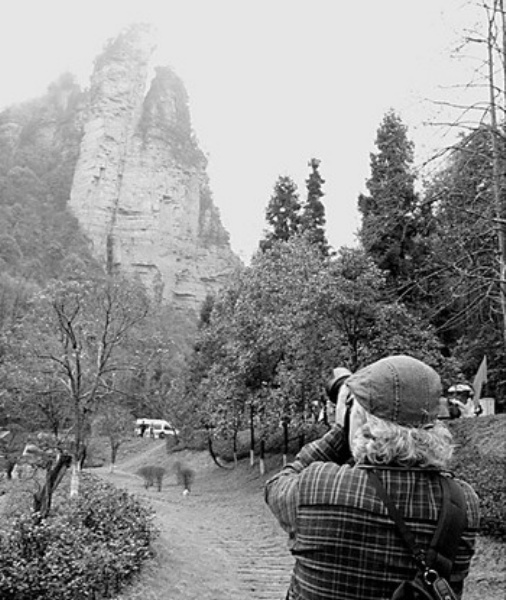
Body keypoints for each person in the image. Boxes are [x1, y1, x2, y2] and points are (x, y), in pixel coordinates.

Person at [265, 355, 480, 600]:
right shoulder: (463, 503)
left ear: (364, 420)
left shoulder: (318, 486)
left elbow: (277, 485)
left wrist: (341, 430)